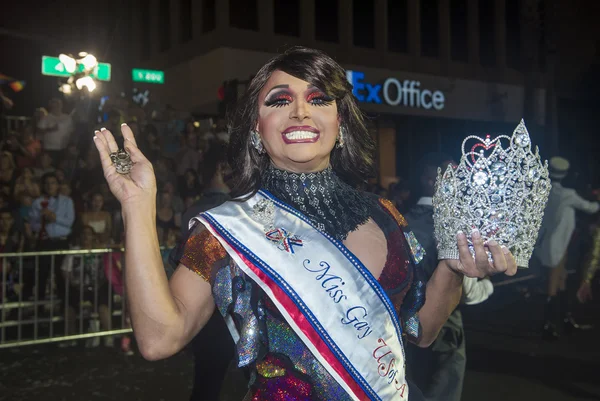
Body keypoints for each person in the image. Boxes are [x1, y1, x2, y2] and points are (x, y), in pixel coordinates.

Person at [93, 47, 517, 401]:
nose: (299, 110)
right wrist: (137, 206)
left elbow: (421, 332)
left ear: (341, 122)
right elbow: (159, 339)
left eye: (318, 99)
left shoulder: (387, 216)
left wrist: (453, 270)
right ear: (257, 129)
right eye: (279, 100)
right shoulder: (230, 229)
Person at [404, 153, 494, 401]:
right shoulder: (458, 232)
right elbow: (469, 292)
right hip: (444, 327)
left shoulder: (397, 221)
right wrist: (488, 287)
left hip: (400, 330)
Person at [175, 141, 235, 401]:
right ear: (222, 168)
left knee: (206, 386)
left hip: (207, 316)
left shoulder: (193, 210)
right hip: (224, 316)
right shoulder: (231, 210)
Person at [536, 156, 600, 339]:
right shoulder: (568, 195)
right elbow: (591, 208)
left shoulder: (545, 191)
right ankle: (548, 325)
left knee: (561, 281)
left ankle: (565, 319)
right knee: (553, 285)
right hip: (558, 247)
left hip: (548, 244)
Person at [28, 172, 75, 306]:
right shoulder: (37, 203)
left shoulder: (67, 201)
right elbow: (33, 224)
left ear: (58, 185)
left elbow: (69, 222)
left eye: (53, 183)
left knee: (61, 275)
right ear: (43, 185)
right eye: (47, 183)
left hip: (61, 241)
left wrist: (54, 217)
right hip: (44, 242)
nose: (50, 186)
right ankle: (40, 309)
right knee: (41, 275)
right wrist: (42, 222)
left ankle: (65, 308)